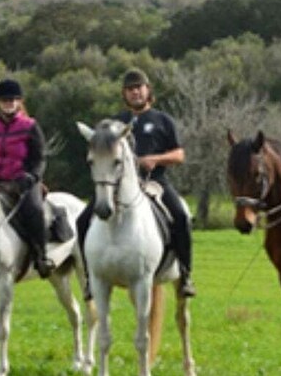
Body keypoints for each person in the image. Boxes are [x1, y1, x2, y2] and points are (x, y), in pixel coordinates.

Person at [77, 68, 196, 298]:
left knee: (180, 216)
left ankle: (185, 274)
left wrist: (156, 159)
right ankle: (91, 278)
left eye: (138, 88)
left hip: (155, 182)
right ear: (124, 94)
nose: (135, 93)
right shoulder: (115, 123)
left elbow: (179, 155)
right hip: (117, 185)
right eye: (130, 89)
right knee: (82, 220)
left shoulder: (163, 120)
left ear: (147, 90)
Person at [0, 78, 53, 278]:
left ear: (19, 101)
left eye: (13, 99)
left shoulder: (30, 126)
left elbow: (40, 158)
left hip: (23, 183)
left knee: (34, 210)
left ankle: (42, 256)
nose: (9, 103)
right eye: (4, 100)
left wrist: (32, 177)